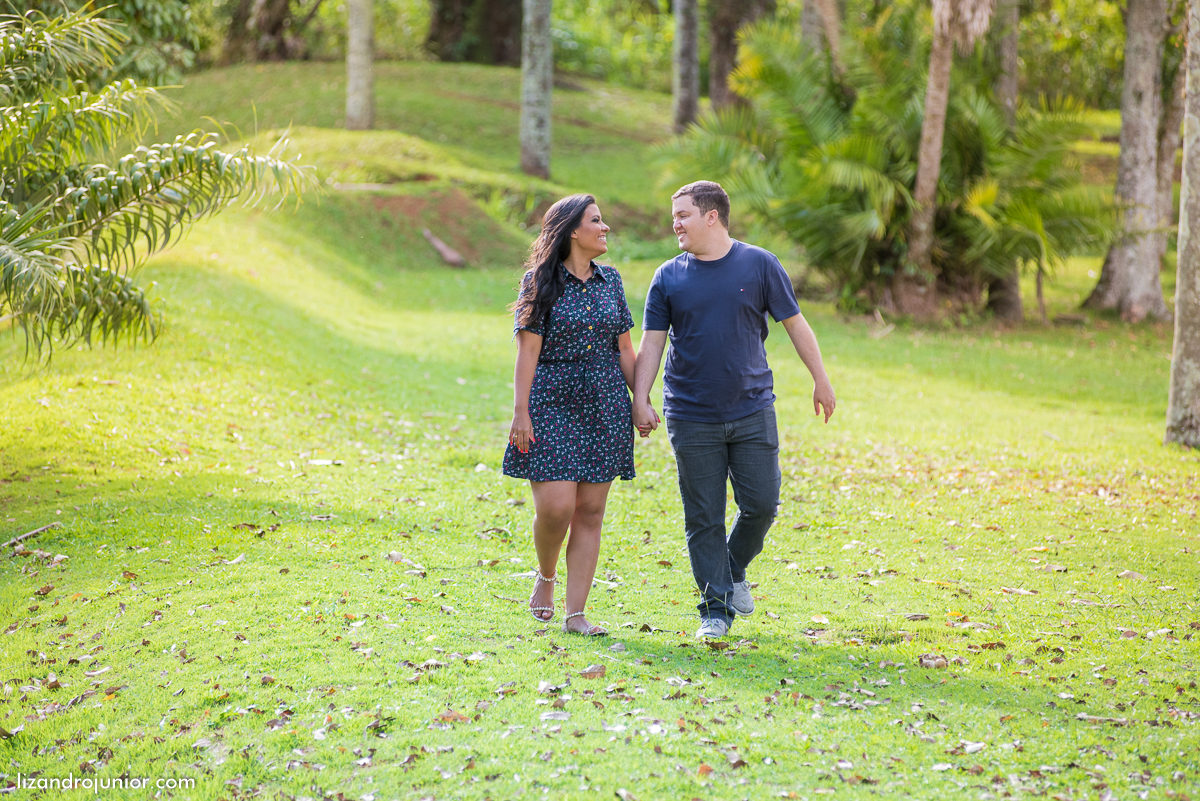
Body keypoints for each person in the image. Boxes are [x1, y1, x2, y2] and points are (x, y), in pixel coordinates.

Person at [632, 181, 836, 639]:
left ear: (711, 216)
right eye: (674, 216)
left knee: (762, 504)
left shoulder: (759, 264)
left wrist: (820, 378)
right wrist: (640, 398)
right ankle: (715, 610)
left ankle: (733, 567)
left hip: (751, 408)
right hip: (689, 413)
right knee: (703, 515)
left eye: (683, 215)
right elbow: (652, 343)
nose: (675, 224)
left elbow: (795, 324)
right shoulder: (668, 276)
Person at [504, 194, 652, 636]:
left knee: (589, 510)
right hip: (551, 401)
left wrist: (639, 398)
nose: (605, 228)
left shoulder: (612, 282)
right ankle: (545, 577)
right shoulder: (539, 282)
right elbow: (527, 351)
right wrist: (520, 412)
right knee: (556, 507)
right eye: (596, 221)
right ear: (572, 230)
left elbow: (625, 348)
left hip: (605, 403)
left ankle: (576, 614)